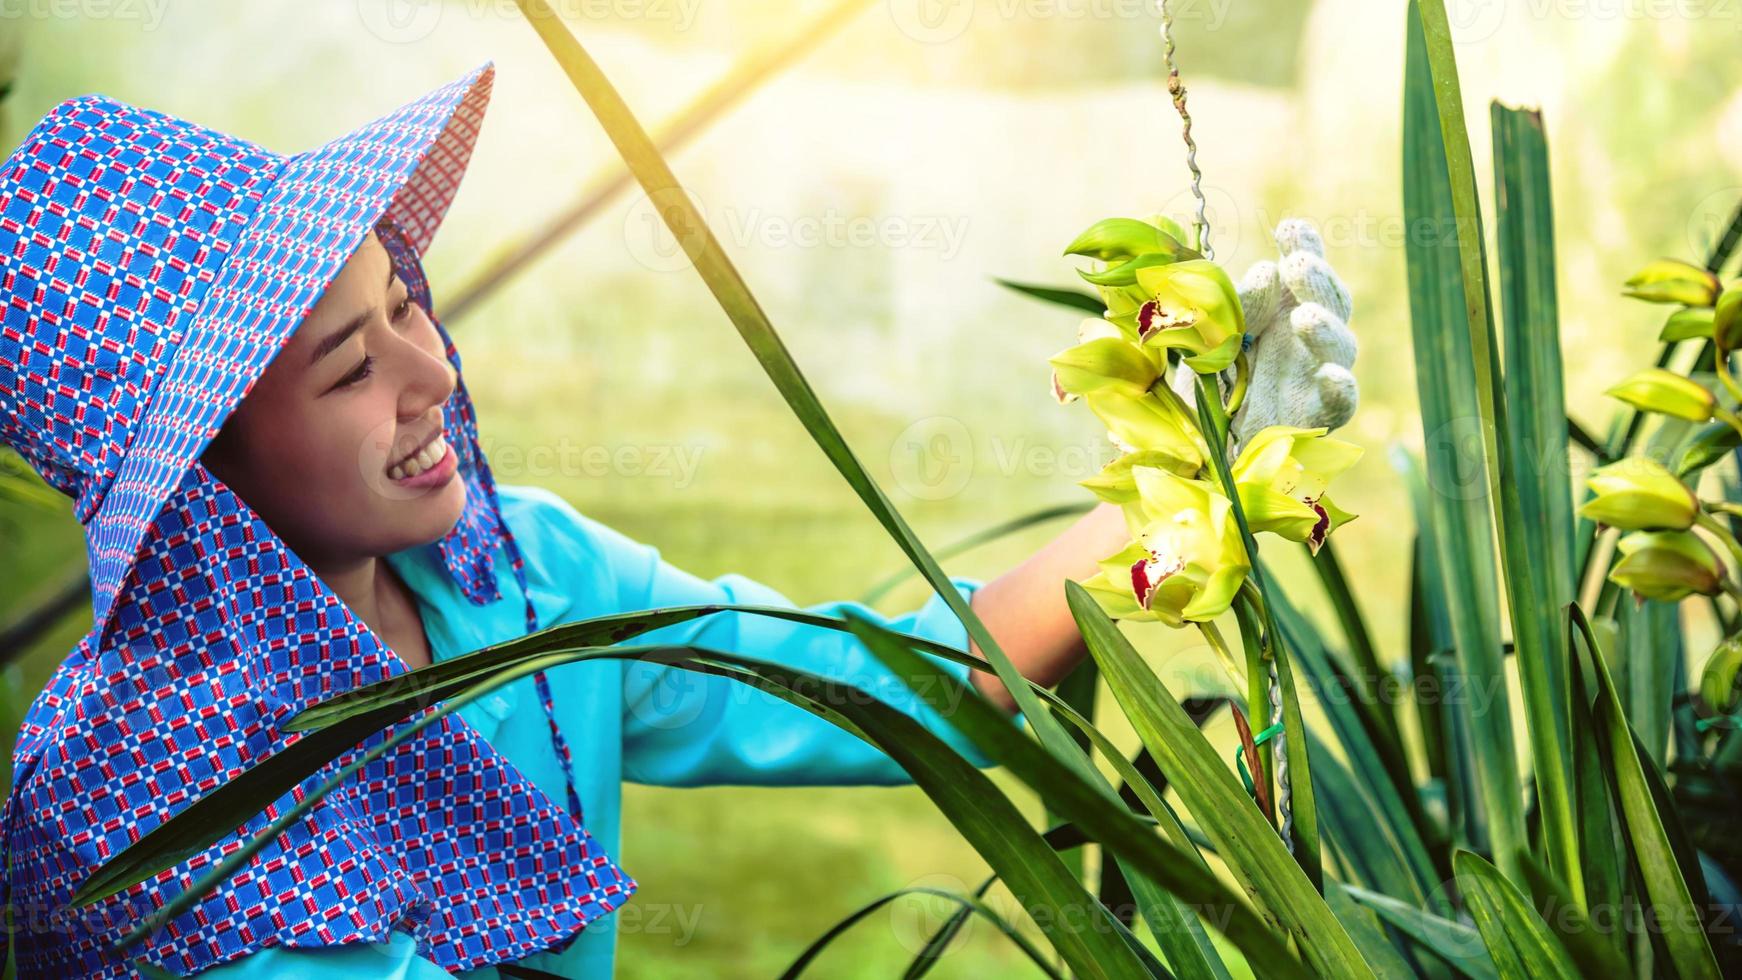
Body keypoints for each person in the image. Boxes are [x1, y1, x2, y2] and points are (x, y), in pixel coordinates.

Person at [0, 62, 1356, 978]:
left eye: (405, 302)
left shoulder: (524, 584)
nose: (428, 377)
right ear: (204, 486)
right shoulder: (140, 795)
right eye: (349, 369)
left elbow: (886, 687)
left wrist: (1188, 490)